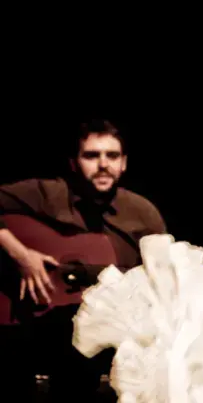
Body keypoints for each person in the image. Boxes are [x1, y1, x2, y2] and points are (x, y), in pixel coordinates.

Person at [0, 118, 167, 402]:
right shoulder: (47, 193)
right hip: (26, 325)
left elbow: (165, 276)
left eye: (112, 156)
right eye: (92, 155)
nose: (103, 164)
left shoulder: (142, 213)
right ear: (75, 163)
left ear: (124, 163)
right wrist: (21, 255)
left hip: (97, 340)